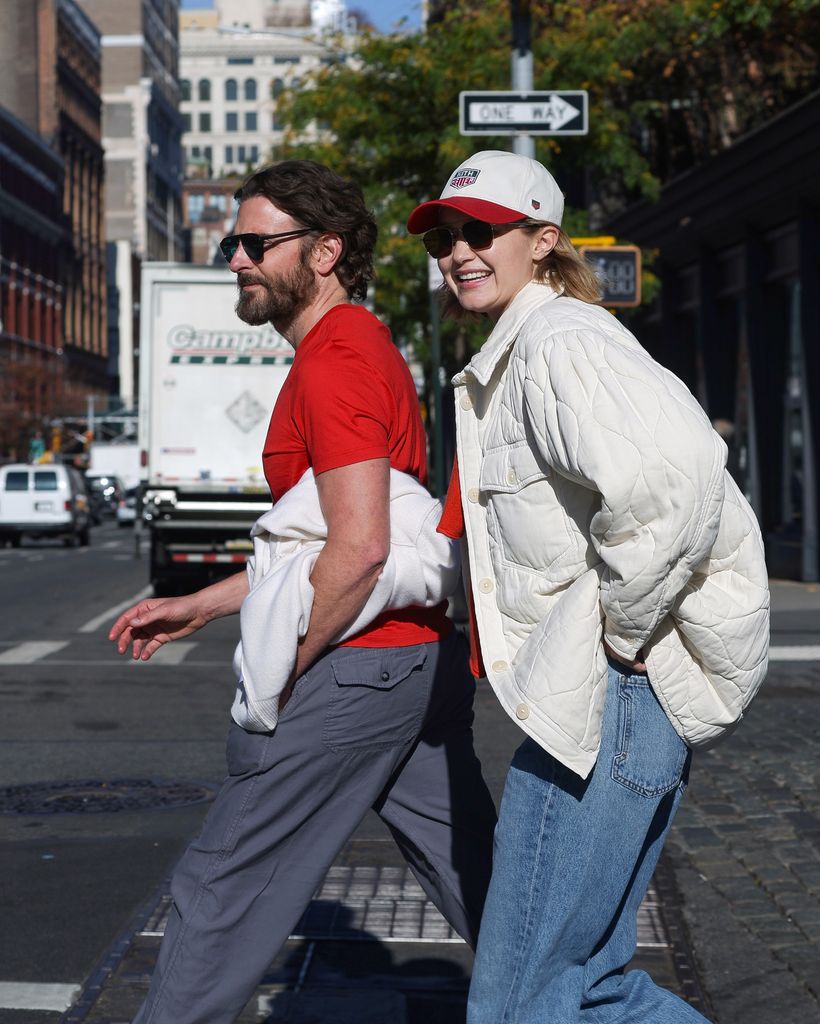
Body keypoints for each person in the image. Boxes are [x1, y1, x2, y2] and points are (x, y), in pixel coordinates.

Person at [110, 159, 497, 1024]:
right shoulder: (356, 346)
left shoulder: (335, 361)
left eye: (257, 242)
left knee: (223, 886)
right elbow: (333, 539)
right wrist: (204, 603)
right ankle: (583, 1007)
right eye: (233, 242)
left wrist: (280, 669)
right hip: (411, 666)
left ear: (325, 252)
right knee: (491, 891)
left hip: (361, 669)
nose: (237, 260)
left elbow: (357, 550)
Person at [407, 150, 769, 1024]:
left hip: (609, 701)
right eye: (449, 236)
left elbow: (676, 479)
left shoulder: (560, 342)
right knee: (587, 991)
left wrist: (616, 631)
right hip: (608, 706)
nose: (460, 251)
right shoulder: (528, 346)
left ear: (543, 240)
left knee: (520, 1001)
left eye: (483, 232)